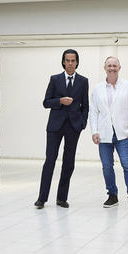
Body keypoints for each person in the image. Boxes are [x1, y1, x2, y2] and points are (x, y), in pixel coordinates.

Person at [35, 49, 89, 208]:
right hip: (55, 126)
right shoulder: (55, 79)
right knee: (50, 160)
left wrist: (82, 123)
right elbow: (46, 102)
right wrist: (60, 101)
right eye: (67, 60)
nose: (70, 63)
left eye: (73, 60)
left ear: (77, 62)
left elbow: (85, 106)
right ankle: (42, 198)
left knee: (69, 162)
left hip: (73, 126)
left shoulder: (83, 81)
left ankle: (61, 198)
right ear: (63, 62)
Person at [90, 56, 128, 210]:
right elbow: (93, 112)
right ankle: (112, 195)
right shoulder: (97, 89)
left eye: (114, 65)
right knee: (107, 166)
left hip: (123, 134)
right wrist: (94, 131)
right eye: (109, 65)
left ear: (119, 68)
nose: (112, 68)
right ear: (104, 68)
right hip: (104, 134)